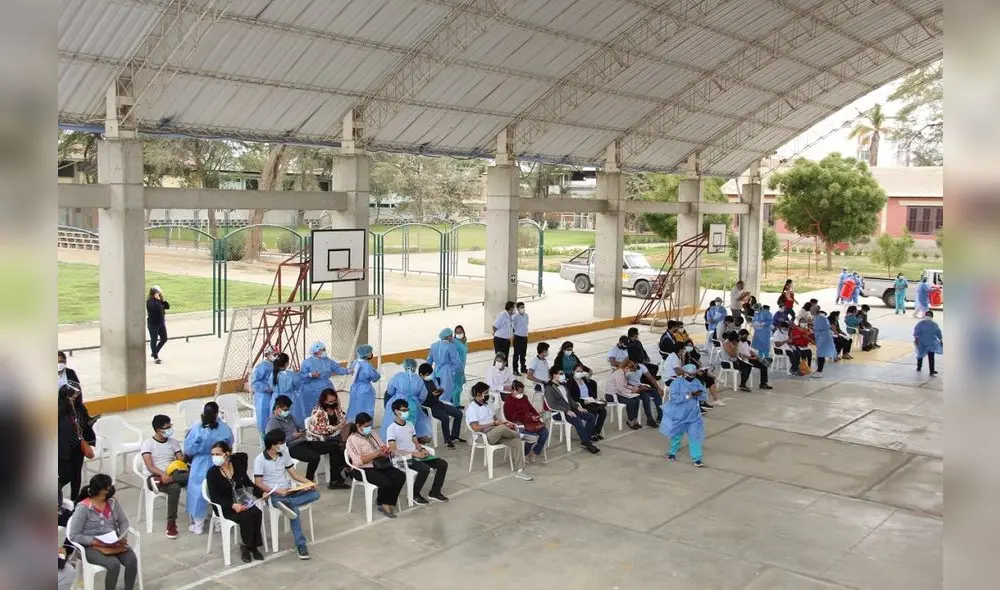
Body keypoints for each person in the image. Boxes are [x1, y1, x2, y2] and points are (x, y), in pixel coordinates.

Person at [253, 429, 320, 558]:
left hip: (289, 491)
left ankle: (287, 502)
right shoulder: (260, 460)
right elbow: (258, 482)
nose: (283, 445)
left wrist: (309, 483)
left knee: (315, 494)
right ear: (272, 444)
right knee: (294, 512)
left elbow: (293, 474)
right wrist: (277, 490)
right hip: (274, 493)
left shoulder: (284, 453)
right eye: (281, 442)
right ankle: (301, 546)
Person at [69, 474, 139, 590]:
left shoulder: (112, 502)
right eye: (106, 490)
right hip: (90, 547)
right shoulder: (83, 508)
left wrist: (122, 535)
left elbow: (123, 522)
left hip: (113, 542)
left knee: (131, 560)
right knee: (113, 564)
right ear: (99, 490)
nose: (109, 492)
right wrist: (95, 541)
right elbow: (74, 535)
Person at [266, 395, 350, 489]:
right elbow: (273, 441)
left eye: (288, 409)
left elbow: (298, 426)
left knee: (334, 447)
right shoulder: (272, 422)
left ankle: (335, 480)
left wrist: (302, 431)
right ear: (277, 408)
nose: (287, 412)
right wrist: (292, 436)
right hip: (291, 447)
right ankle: (308, 482)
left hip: (303, 441)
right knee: (314, 457)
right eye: (285, 410)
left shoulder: (290, 416)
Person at [205, 441, 265, 563]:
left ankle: (252, 545)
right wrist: (232, 505)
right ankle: (246, 546)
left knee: (257, 512)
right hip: (225, 505)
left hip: (240, 499)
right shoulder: (212, 473)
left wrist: (261, 493)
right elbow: (214, 497)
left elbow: (247, 483)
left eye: (218, 454)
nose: (215, 457)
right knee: (246, 515)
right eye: (213, 454)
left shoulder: (237, 465)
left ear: (227, 454)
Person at [465, 381, 536, 480]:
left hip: (497, 432)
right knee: (503, 429)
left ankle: (520, 470)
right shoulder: (472, 408)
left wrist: (505, 423)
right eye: (486, 393)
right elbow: (475, 428)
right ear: (478, 394)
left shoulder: (487, 405)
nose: (487, 395)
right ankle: (521, 435)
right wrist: (494, 424)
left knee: (516, 441)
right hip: (485, 435)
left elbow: (495, 419)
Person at [386, 399, 450, 504]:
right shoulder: (391, 429)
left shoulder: (410, 424)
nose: (407, 412)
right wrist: (414, 454)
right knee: (424, 469)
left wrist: (422, 449)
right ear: (396, 412)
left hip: (416, 455)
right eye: (404, 410)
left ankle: (435, 492)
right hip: (401, 459)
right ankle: (414, 494)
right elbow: (394, 451)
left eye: (407, 409)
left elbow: (415, 441)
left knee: (442, 464)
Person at [183, 402, 234, 534]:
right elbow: (230, 444)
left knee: (197, 492)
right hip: (218, 462)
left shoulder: (196, 428)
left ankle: (198, 525)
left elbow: (188, 450)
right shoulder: (224, 428)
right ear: (217, 413)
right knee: (218, 492)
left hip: (200, 463)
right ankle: (219, 523)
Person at [345, 413, 406, 518]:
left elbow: (381, 445)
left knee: (400, 476)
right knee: (386, 482)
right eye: (366, 426)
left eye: (370, 425)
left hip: (379, 464)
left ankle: (388, 501)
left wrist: (385, 449)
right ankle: (384, 504)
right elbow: (358, 461)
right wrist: (376, 454)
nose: (369, 428)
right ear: (358, 426)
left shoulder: (372, 433)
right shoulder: (352, 439)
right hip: (362, 469)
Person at [139, 414, 188, 539]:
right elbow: (150, 466)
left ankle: (164, 481)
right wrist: (162, 474)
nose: (170, 428)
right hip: (154, 475)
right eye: (167, 427)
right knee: (175, 488)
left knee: (193, 475)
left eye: (170, 425)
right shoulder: (148, 444)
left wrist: (189, 450)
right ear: (159, 430)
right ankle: (171, 523)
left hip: (172, 473)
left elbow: (180, 460)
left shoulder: (174, 442)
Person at [543, 369, 602, 454]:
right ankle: (588, 443)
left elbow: (569, 399)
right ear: (554, 375)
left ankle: (585, 439)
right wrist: (566, 411)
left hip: (571, 409)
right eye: (560, 373)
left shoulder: (563, 385)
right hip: (560, 412)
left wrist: (578, 407)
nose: (563, 375)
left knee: (591, 417)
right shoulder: (549, 388)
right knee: (577, 421)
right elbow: (551, 404)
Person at [659, 364, 707, 467]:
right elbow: (675, 398)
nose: (692, 377)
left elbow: (704, 395)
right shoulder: (676, 383)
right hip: (679, 415)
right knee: (677, 435)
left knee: (695, 436)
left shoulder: (697, 382)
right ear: (684, 373)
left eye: (694, 374)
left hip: (693, 415)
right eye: (690, 374)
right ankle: (672, 453)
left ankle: (697, 458)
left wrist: (699, 394)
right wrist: (688, 396)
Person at [57, 383, 95, 503]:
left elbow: (84, 423)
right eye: (72, 398)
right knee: (66, 475)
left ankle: (75, 499)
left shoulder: (79, 409)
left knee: (76, 474)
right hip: (63, 450)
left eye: (76, 397)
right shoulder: (58, 412)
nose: (74, 400)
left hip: (77, 447)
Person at [300, 341, 351, 424]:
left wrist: (348, 371)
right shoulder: (307, 362)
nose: (324, 351)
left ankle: (330, 422)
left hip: (326, 387)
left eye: (324, 349)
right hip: (312, 389)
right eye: (322, 350)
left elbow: (337, 368)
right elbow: (301, 376)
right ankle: (313, 424)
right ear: (315, 351)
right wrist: (310, 375)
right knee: (313, 408)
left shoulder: (327, 360)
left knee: (329, 406)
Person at [383, 361, 433, 445]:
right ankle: (413, 440)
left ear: (404, 366)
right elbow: (423, 395)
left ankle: (395, 441)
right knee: (414, 422)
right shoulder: (418, 379)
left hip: (398, 402)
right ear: (415, 367)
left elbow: (390, 390)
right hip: (413, 403)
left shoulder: (398, 376)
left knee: (393, 422)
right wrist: (417, 402)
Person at [418, 362, 465, 449]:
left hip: (438, 403)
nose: (429, 376)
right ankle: (447, 441)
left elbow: (435, 394)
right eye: (428, 374)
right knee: (445, 417)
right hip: (429, 407)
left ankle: (454, 435)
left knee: (458, 413)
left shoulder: (430, 381)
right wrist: (432, 395)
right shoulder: (419, 385)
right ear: (421, 374)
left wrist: (439, 392)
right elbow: (421, 399)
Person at [502, 380, 549, 464]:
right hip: (519, 424)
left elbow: (531, 408)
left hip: (530, 421)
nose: (521, 394)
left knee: (545, 432)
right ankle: (525, 453)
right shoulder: (508, 402)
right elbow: (510, 417)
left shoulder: (524, 397)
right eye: (519, 392)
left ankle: (535, 452)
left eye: (522, 392)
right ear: (513, 390)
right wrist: (529, 418)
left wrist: (536, 415)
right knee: (532, 437)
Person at [565, 363, 607, 438]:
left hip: (590, 401)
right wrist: (583, 401)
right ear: (573, 372)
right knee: (593, 412)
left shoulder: (584, 380)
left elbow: (590, 392)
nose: (579, 373)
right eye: (577, 371)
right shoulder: (570, 383)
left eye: (581, 372)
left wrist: (594, 399)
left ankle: (596, 432)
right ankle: (591, 433)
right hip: (581, 403)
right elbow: (571, 398)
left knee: (603, 412)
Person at [604, 360, 644, 430]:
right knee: (631, 402)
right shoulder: (619, 373)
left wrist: (632, 388)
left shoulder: (623, 373)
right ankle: (630, 420)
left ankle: (634, 419)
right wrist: (631, 391)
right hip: (611, 395)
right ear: (625, 367)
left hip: (618, 393)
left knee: (636, 399)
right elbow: (620, 388)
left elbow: (624, 385)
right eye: (628, 369)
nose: (629, 371)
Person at [347, 344, 380, 424]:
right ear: (367, 354)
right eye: (370, 352)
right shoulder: (368, 366)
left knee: (354, 406)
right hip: (365, 390)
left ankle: (352, 424)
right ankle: (365, 425)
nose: (371, 354)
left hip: (354, 387)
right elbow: (375, 377)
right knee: (366, 408)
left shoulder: (355, 362)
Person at [429, 328, 461, 409]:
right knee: (447, 393)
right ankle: (448, 410)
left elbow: (429, 360)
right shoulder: (450, 346)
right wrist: (454, 371)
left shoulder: (434, 345)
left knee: (437, 392)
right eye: (451, 336)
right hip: (446, 373)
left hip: (435, 372)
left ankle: (438, 409)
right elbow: (456, 362)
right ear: (449, 337)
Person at [251, 347, 277, 438]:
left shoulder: (275, 365)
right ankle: (263, 440)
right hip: (263, 396)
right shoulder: (262, 366)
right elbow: (254, 383)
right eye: (274, 354)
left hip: (272, 394)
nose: (276, 356)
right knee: (263, 418)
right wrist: (266, 387)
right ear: (267, 355)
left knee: (272, 417)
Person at [913, 311, 942, 376]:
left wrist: (940, 339)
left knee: (930, 356)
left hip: (931, 343)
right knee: (920, 355)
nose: (928, 316)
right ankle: (919, 367)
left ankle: (931, 370)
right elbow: (916, 331)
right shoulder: (921, 323)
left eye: (929, 315)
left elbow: (938, 333)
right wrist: (916, 338)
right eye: (927, 315)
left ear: (932, 316)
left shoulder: (934, 324)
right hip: (922, 342)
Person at [811, 308, 837, 379]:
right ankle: (818, 370)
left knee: (820, 354)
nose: (810, 312)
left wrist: (813, 328)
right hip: (822, 336)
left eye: (812, 310)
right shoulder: (819, 317)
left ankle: (819, 371)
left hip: (823, 337)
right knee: (819, 354)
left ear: (815, 311)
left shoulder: (820, 318)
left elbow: (820, 327)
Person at [146, 285, 169, 364]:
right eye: (157, 293)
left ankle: (154, 352)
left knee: (164, 338)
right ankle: (156, 357)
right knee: (154, 340)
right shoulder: (150, 301)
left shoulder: (159, 300)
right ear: (153, 293)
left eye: (159, 293)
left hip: (161, 323)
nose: (158, 294)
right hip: (153, 324)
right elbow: (157, 308)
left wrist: (163, 301)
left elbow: (167, 307)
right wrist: (159, 301)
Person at [492, 300, 516, 365]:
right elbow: (494, 326)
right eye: (514, 307)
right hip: (500, 340)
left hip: (506, 340)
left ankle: (504, 372)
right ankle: (496, 371)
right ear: (511, 308)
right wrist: (497, 335)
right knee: (499, 358)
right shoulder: (503, 315)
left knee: (505, 358)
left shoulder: (510, 316)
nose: (515, 309)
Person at [451, 325, 468, 406]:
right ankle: (454, 405)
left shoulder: (464, 341)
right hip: (456, 368)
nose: (459, 334)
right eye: (457, 332)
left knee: (459, 387)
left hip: (462, 368)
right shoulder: (453, 342)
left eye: (460, 332)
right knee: (456, 388)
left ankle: (457, 403)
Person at [512, 302, 530, 375]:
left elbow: (526, 325)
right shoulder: (515, 317)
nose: (523, 308)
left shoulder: (526, 315)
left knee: (523, 354)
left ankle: (523, 368)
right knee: (516, 354)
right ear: (517, 308)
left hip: (525, 337)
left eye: (523, 307)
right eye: (521, 307)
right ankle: (515, 369)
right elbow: (512, 326)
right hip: (518, 337)